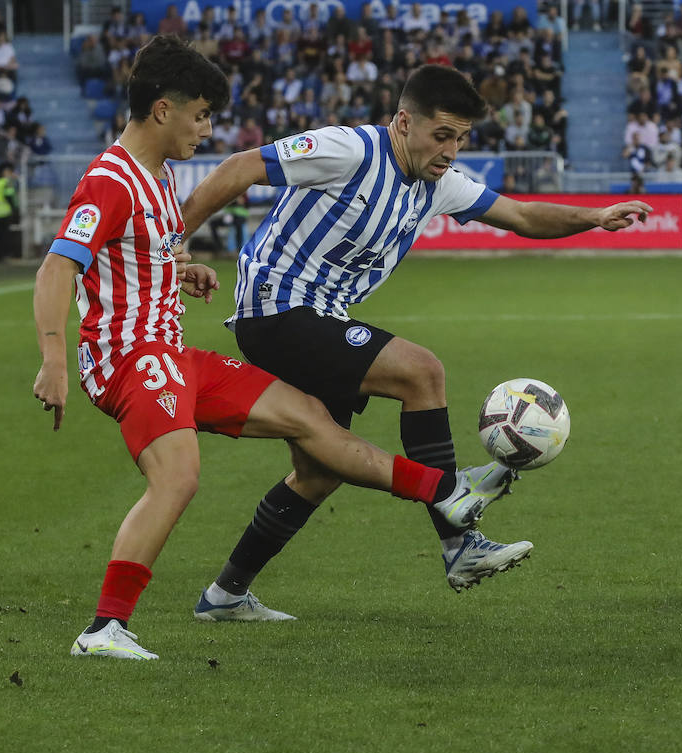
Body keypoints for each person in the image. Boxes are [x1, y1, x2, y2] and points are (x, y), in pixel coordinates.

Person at [32, 37, 509, 661]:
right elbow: (57, 268)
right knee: (177, 479)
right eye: (201, 115)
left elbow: (129, 263)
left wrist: (183, 271)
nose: (208, 130)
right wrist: (53, 358)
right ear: (162, 111)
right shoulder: (111, 179)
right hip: (129, 360)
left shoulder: (158, 176)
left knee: (312, 422)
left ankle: (444, 491)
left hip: (173, 355)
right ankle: (103, 629)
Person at [178, 64, 652, 616]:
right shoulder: (349, 149)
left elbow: (520, 214)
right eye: (442, 135)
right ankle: (457, 531)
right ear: (404, 122)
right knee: (420, 371)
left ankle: (225, 595)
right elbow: (241, 166)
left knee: (319, 472)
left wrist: (595, 217)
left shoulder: (439, 183)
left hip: (320, 316)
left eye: (462, 138)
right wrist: (173, 243)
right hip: (276, 309)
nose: (452, 150)